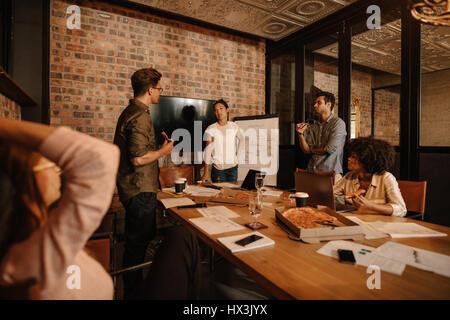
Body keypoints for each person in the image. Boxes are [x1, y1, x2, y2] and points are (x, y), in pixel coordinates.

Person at [0, 118, 201, 299]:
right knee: (183, 236)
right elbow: (98, 156)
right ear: (20, 184)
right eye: (46, 163)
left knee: (182, 236)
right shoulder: (38, 252)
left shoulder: (36, 237)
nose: (57, 168)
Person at [113, 67, 174, 298]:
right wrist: (164, 150)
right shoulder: (139, 116)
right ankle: (135, 293)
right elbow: (138, 158)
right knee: (137, 246)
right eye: (160, 88)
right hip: (139, 191)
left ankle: (134, 290)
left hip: (135, 189)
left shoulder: (133, 112)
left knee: (137, 244)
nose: (161, 92)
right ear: (150, 89)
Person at [333, 137, 407, 217]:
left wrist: (371, 206)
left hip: (379, 225)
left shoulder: (386, 177)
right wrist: (344, 197)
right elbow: (330, 195)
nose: (349, 159)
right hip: (355, 222)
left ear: (367, 160)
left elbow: (401, 209)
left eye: (353, 157)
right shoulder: (349, 176)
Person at [296, 92, 346, 182]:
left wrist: (312, 150)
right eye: (315, 102)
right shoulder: (314, 125)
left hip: (330, 174)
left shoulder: (338, 123)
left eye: (319, 102)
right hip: (312, 172)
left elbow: (329, 149)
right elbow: (306, 150)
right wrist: (300, 134)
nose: (315, 105)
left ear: (328, 104)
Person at [201, 99, 244, 183]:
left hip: (233, 169)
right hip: (218, 170)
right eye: (216, 110)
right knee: (220, 194)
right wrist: (206, 172)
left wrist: (237, 157)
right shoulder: (211, 129)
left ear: (227, 110)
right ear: (214, 113)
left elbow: (242, 139)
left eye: (221, 108)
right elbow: (208, 151)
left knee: (231, 194)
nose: (219, 112)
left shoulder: (233, 126)